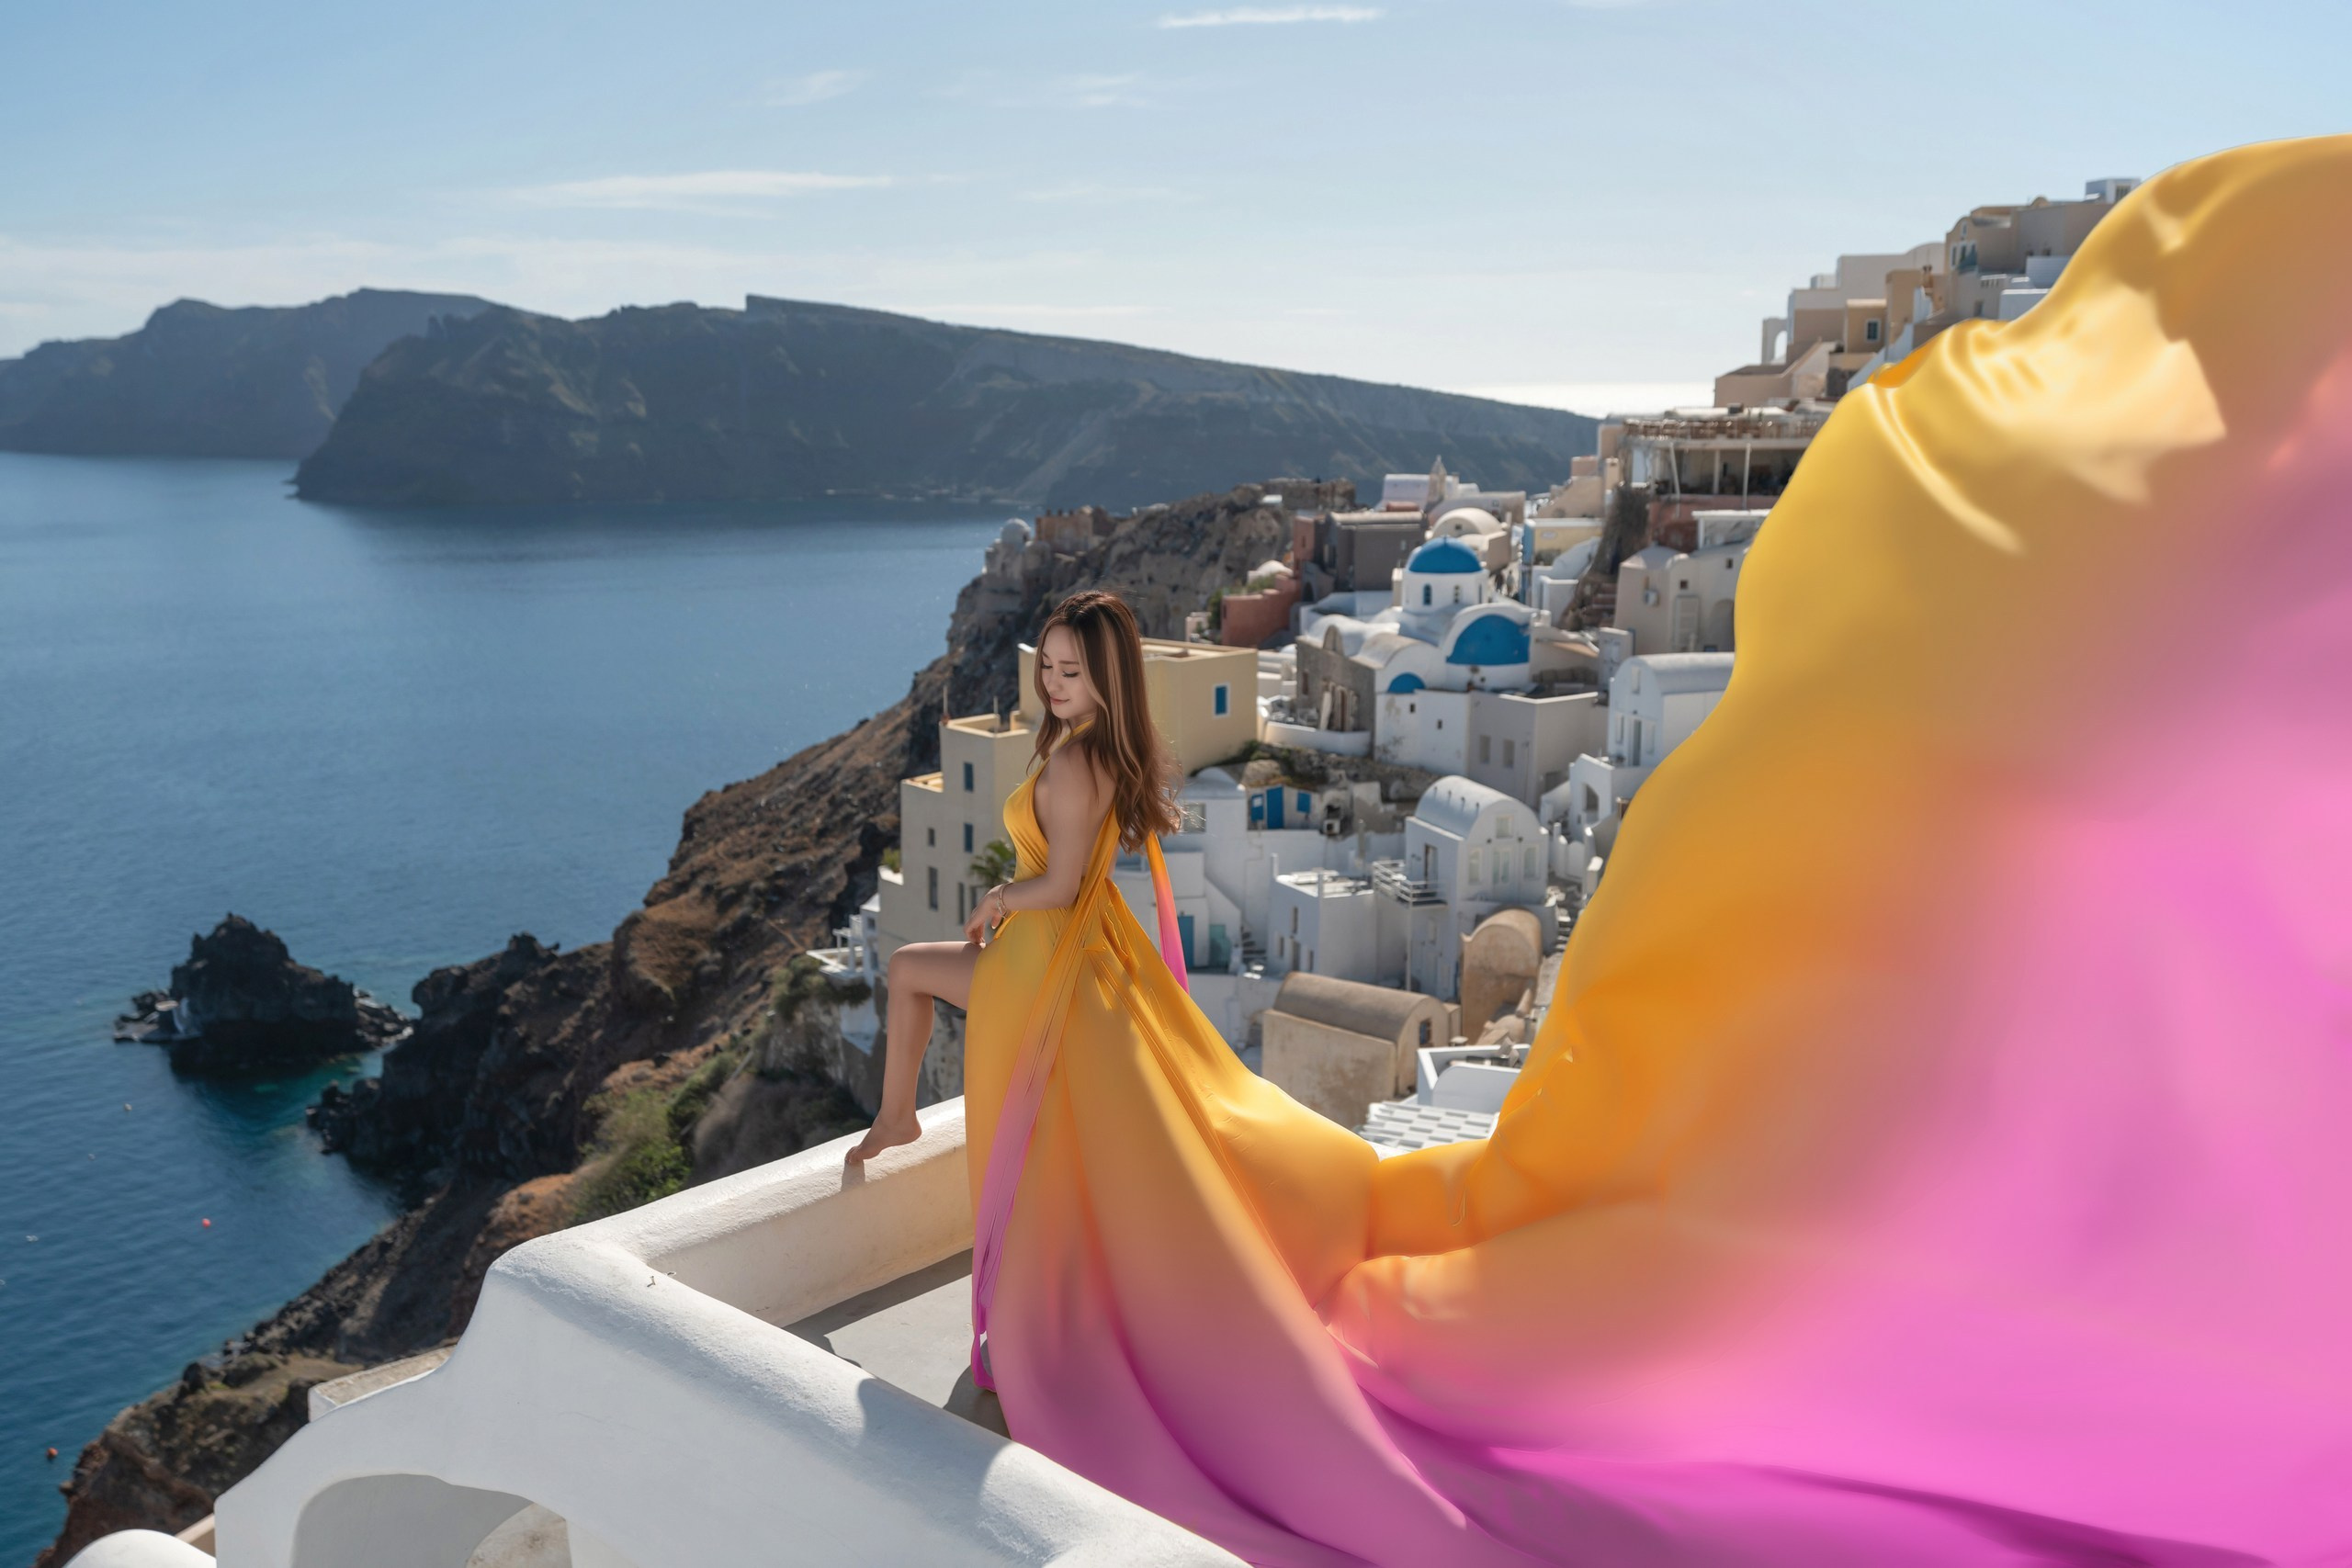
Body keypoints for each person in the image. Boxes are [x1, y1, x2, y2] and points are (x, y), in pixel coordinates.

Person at [850, 136, 2352, 1567]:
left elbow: (1068, 873)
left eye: (1059, 667)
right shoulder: (1090, 754)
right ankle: (982, 1247)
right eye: (1042, 668)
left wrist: (1005, 920)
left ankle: (972, 1243)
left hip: (1057, 953)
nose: (1047, 683)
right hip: (1073, 959)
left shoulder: (1084, 766)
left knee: (1078, 1132)